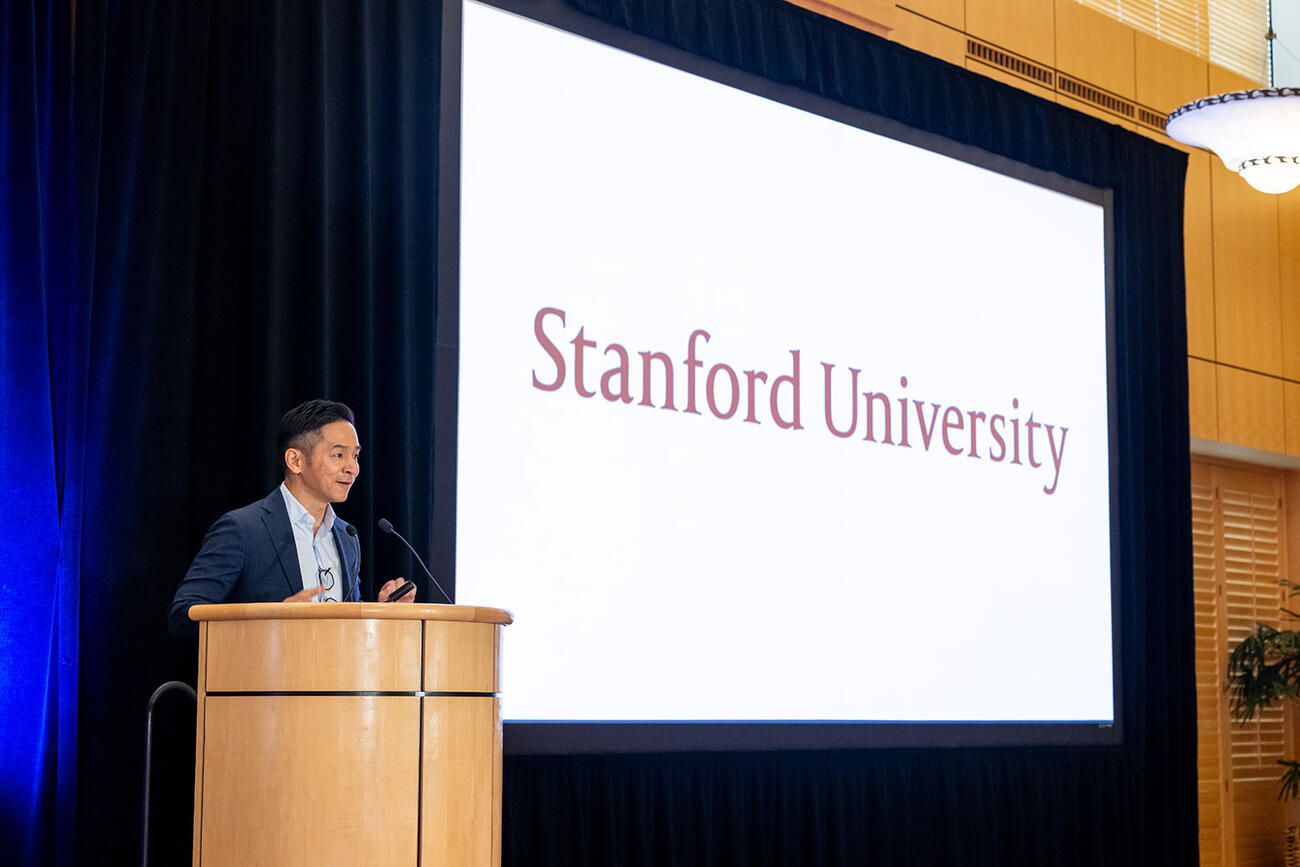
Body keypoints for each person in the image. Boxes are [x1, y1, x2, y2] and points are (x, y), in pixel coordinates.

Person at [168, 399, 413, 639]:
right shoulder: (243, 529)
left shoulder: (346, 536)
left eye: (355, 457)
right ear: (295, 461)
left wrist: (381, 612)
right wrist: (274, 618)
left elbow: (347, 626)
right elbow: (183, 615)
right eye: (338, 455)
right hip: (263, 677)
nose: (352, 468)